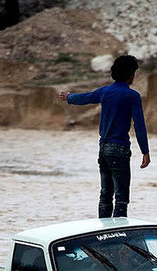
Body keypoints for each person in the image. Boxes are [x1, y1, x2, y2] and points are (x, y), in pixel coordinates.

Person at [58, 55, 150, 218]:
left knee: (105, 195)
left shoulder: (105, 92)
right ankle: (117, 235)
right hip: (120, 150)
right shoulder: (132, 96)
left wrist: (68, 97)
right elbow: (139, 125)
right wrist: (145, 151)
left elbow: (86, 97)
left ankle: (102, 231)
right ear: (130, 74)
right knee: (121, 199)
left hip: (103, 149)